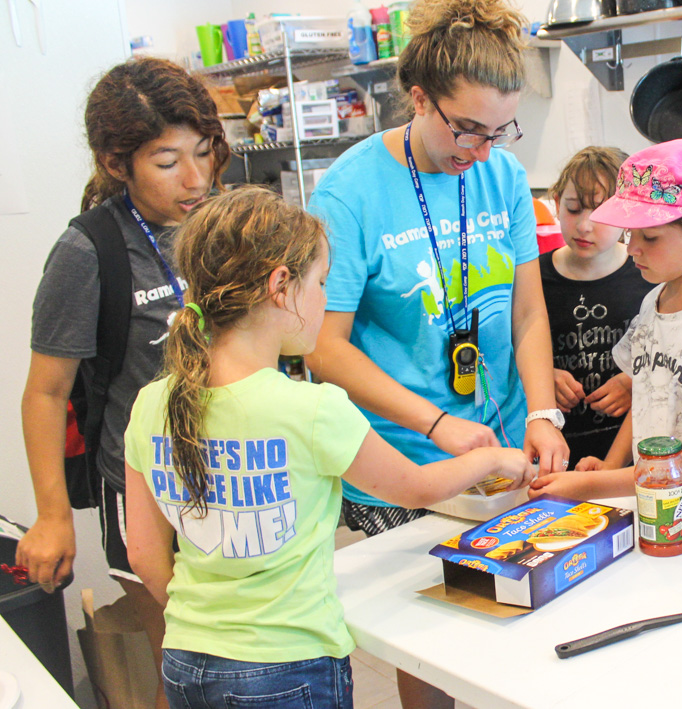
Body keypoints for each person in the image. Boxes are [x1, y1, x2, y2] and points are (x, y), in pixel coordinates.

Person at [122, 187, 532, 708]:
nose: (324, 299)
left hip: (186, 661)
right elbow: (415, 488)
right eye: (320, 282)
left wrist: (210, 629)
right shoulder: (311, 409)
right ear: (280, 286)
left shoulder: (150, 403)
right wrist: (494, 458)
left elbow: (143, 553)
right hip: (287, 666)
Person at [306, 0, 565, 703]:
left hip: (502, 448)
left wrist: (544, 410)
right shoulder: (349, 194)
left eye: (498, 131)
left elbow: (528, 309)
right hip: (403, 461)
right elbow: (324, 350)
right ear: (419, 99)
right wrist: (433, 422)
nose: (480, 151)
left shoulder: (503, 178)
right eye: (467, 129)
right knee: (434, 655)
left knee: (517, 626)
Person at [18, 56, 230, 708]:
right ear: (118, 163)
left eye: (203, 153)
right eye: (168, 163)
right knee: (189, 657)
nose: (195, 178)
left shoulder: (225, 223)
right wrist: (54, 515)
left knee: (247, 652)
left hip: (236, 472)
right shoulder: (89, 252)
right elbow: (46, 393)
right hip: (143, 489)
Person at [530, 139, 682, 520]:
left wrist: (593, 485)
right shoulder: (655, 299)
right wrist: (610, 465)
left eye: (650, 237)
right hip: (655, 502)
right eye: (630, 233)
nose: (633, 247)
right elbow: (645, 398)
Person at [541, 146, 653, 463]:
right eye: (574, 209)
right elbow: (504, 356)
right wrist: (540, 377)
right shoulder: (533, 279)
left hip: (630, 457)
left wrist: (637, 382)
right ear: (557, 202)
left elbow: (677, 359)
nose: (584, 226)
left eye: (602, 213)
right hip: (555, 454)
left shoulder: (650, 277)